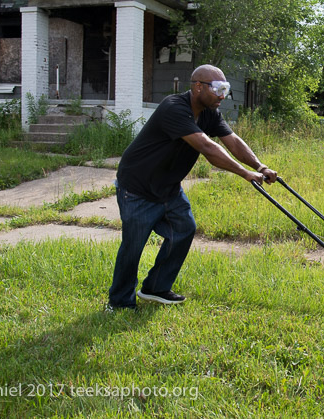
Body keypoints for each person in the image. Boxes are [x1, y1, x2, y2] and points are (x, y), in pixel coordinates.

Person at [108, 64, 277, 309]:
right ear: (198, 87)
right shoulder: (173, 108)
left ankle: (155, 287)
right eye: (218, 89)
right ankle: (119, 302)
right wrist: (244, 173)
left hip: (169, 187)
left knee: (184, 229)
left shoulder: (210, 113)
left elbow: (232, 141)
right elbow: (208, 148)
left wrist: (260, 167)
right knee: (133, 247)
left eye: (226, 89)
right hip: (138, 188)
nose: (222, 95)